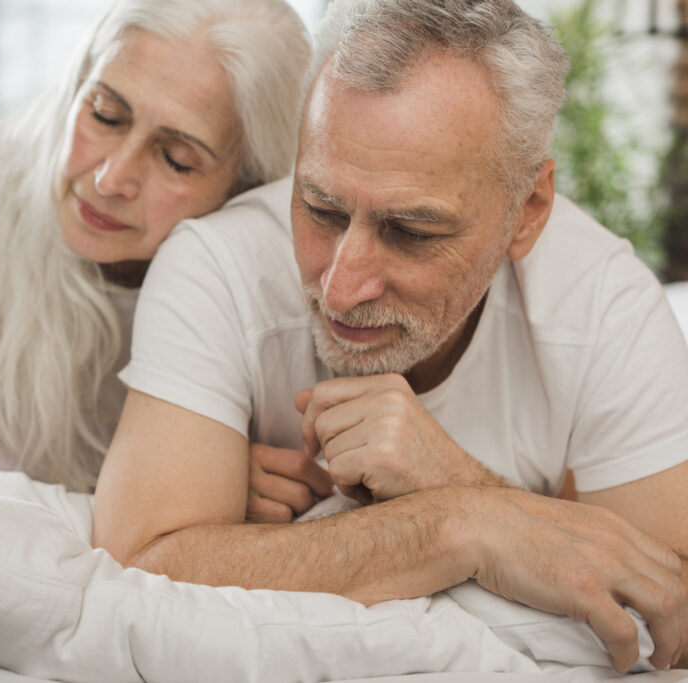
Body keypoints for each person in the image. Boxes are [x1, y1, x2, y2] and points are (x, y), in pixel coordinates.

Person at [92, 0, 688, 674]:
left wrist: (458, 486)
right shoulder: (216, 265)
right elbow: (139, 564)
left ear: (528, 211)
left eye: (411, 231)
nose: (341, 287)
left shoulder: (604, 302)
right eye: (321, 208)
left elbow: (673, 601)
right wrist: (455, 525)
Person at [0, 0, 313, 493]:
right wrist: (193, 484)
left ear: (245, 188)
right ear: (75, 89)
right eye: (105, 114)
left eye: (176, 160)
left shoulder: (275, 266)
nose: (110, 178)